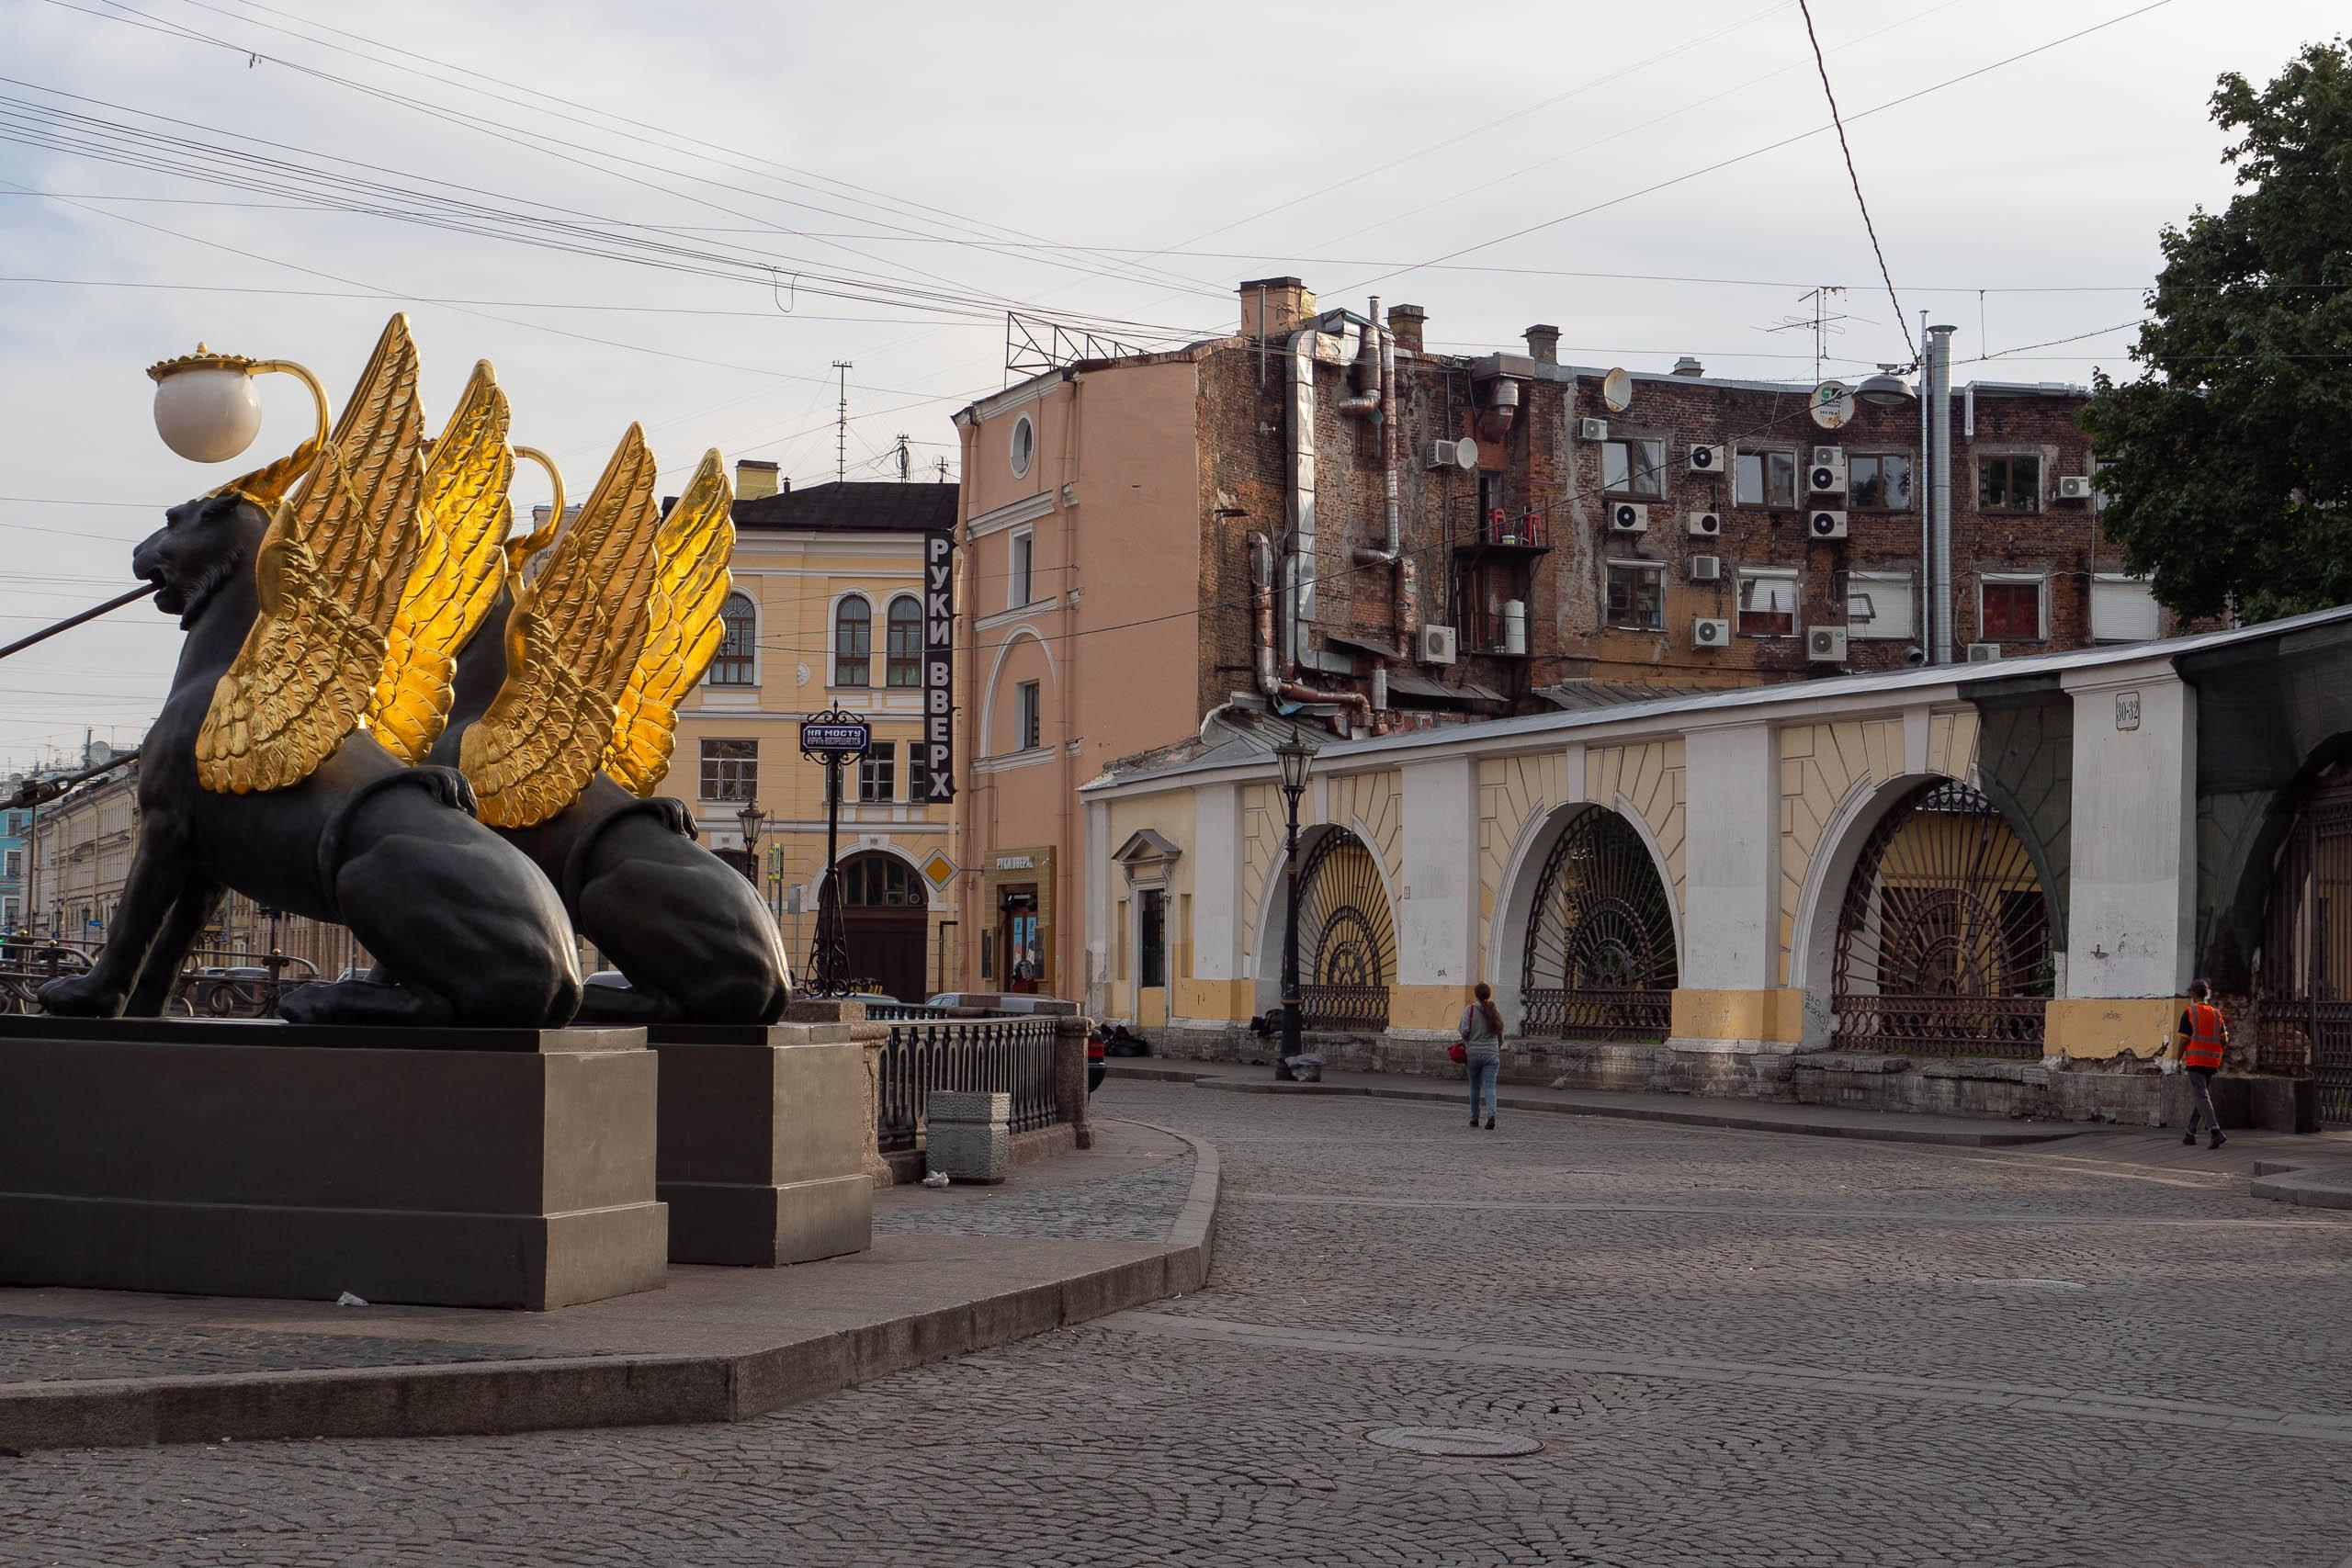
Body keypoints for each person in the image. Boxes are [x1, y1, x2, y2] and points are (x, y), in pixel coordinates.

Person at [2173, 978, 2229, 1150]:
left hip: (2196, 1060)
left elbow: (2184, 1040)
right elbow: (2224, 1039)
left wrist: (2177, 1059)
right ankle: (2190, 1133)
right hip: (2211, 1061)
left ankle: (2215, 1131)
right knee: (2202, 1097)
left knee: (2201, 1097)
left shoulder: (2190, 1013)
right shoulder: (2216, 1013)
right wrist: (2216, 1053)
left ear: (2193, 994)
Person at [1459, 981, 1504, 1131]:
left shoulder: (1469, 1010)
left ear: (1476, 995)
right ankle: (1491, 1116)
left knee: (1475, 1087)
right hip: (1491, 1054)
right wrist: (1497, 1047)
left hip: (1473, 1053)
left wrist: (1468, 1041)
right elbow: (1500, 1033)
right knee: (1490, 1087)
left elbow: (1464, 1030)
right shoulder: (1494, 1010)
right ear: (1489, 994)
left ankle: (1474, 1118)